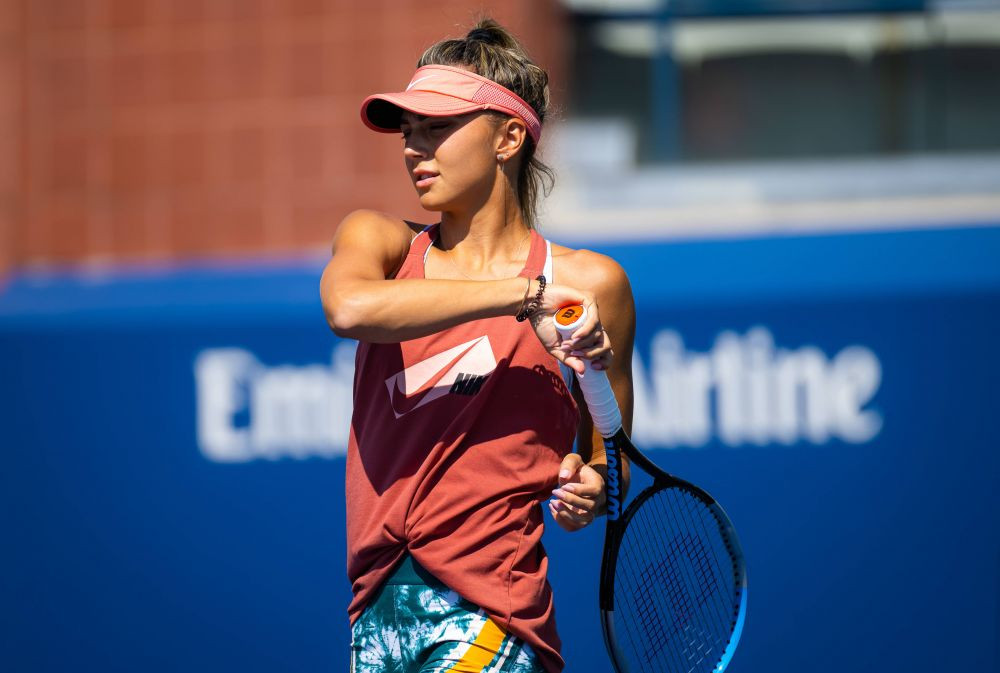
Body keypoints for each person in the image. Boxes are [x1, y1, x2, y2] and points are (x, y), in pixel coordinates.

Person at [320, 18, 635, 673]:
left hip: (494, 615)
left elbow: (612, 458)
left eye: (437, 127)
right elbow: (350, 308)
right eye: (409, 132)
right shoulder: (377, 240)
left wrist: (590, 482)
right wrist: (525, 295)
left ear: (509, 136)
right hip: (374, 617)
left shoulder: (590, 282)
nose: (414, 147)